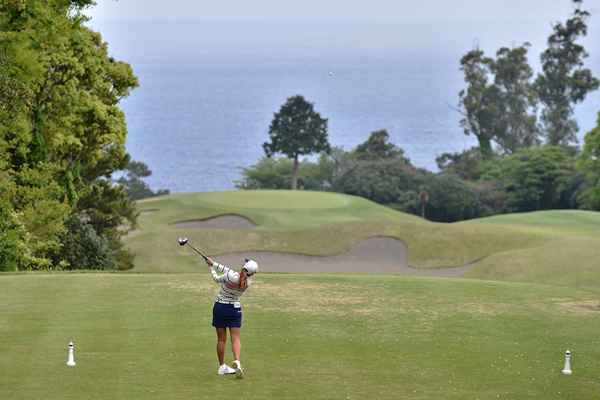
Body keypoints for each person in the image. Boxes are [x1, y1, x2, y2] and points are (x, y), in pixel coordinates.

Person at [204, 256, 258, 378]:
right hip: (235, 309)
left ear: (244, 268)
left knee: (221, 339)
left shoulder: (231, 276)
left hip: (220, 307)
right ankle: (237, 362)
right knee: (236, 338)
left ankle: (222, 366)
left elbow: (217, 278)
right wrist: (214, 263)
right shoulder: (248, 282)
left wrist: (211, 267)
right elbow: (227, 269)